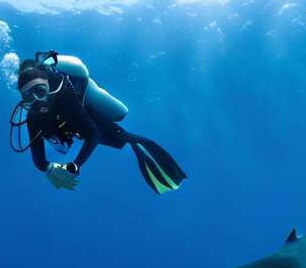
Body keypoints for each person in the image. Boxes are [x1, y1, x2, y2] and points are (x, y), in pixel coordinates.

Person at [10, 51, 187, 194]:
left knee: (120, 118)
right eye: (28, 96)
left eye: (40, 92)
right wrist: (49, 169)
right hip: (66, 118)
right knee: (56, 131)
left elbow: (93, 134)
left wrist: (75, 166)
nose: (36, 100)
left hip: (80, 103)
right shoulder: (33, 114)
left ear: (48, 86)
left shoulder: (64, 94)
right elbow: (38, 158)